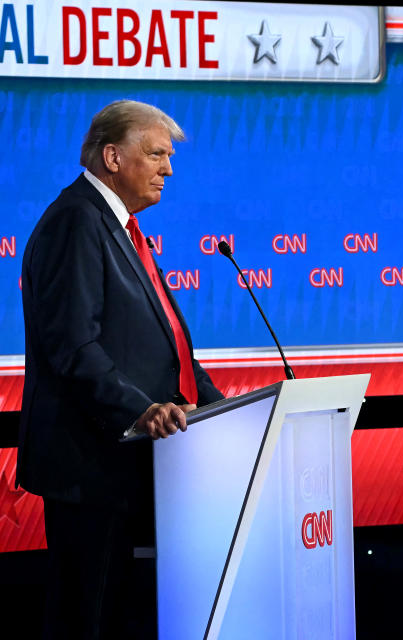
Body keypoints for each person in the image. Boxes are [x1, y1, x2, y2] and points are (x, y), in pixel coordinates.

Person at [17, 100, 224, 638]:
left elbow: (166, 346)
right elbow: (73, 347)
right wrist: (141, 410)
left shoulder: (117, 225)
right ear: (112, 156)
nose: (168, 169)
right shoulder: (76, 221)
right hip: (91, 465)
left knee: (124, 617)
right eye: (156, 154)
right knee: (86, 619)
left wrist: (221, 407)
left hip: (130, 464)